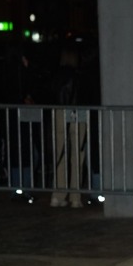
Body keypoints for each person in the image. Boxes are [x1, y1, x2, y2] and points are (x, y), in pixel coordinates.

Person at [49, 46, 88, 208]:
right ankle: (75, 197)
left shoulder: (56, 75)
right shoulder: (79, 75)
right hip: (78, 114)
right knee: (77, 156)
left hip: (59, 112)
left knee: (60, 154)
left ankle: (57, 195)